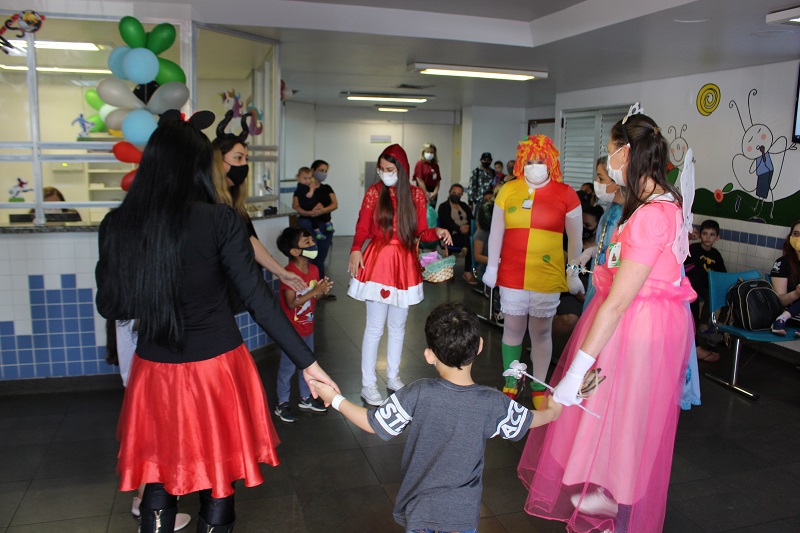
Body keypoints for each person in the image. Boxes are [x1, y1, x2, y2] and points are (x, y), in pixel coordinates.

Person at [96, 112, 339, 533]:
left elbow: (111, 304)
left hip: (154, 370)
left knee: (159, 475)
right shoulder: (219, 220)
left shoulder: (118, 224)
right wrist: (309, 363)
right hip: (217, 370)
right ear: (197, 167)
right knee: (219, 479)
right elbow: (259, 301)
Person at [518, 111, 697, 533]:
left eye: (612, 150)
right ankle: (608, 488)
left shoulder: (652, 214)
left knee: (626, 411)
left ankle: (619, 496)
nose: (609, 159)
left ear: (627, 153)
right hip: (639, 318)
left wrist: (574, 371)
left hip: (639, 325)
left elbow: (617, 304)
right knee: (612, 407)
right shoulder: (654, 203)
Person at [308, 303, 562, 533]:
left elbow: (373, 424)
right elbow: (526, 420)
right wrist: (552, 412)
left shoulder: (418, 393)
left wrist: (335, 399)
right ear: (480, 346)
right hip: (462, 515)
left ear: (429, 355)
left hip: (420, 511)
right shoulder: (491, 402)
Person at [482, 135, 583, 409]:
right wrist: (492, 267)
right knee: (512, 329)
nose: (534, 166)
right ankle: (511, 381)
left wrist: (573, 273)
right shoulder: (508, 190)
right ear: (521, 163)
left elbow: (575, 242)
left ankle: (539, 386)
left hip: (546, 275)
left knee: (541, 332)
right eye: (529, 161)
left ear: (550, 162)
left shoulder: (567, 194)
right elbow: (496, 233)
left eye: (540, 161)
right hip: (512, 273)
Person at [348, 144, 452, 406]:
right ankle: (368, 384)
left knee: (397, 326)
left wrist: (438, 231)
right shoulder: (374, 193)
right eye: (381, 169)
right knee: (374, 327)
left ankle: (393, 377)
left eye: (390, 169)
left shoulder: (416, 195)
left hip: (404, 263)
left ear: (402, 170)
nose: (384, 173)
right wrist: (355, 249)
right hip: (378, 261)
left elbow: (422, 232)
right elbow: (362, 226)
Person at [212, 111, 306, 294]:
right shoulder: (206, 202)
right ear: (218, 161)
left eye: (246, 159)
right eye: (238, 158)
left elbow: (248, 240)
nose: (244, 165)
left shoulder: (233, 202)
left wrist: (281, 272)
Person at [273, 227, 333, 422]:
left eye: (312, 240)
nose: (313, 244)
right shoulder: (289, 273)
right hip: (291, 332)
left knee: (307, 365)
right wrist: (314, 292)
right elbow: (291, 303)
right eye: (307, 242)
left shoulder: (314, 269)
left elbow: (313, 296)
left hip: (308, 327)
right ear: (294, 251)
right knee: (287, 368)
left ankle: (306, 397)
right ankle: (282, 403)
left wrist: (321, 290)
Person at [303, 159, 338, 293]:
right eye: (321, 170)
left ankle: (321, 289)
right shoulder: (304, 188)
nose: (323, 173)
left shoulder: (326, 188)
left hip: (325, 226)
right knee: (309, 258)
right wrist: (310, 212)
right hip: (309, 226)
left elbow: (334, 204)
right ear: (313, 170)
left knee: (320, 259)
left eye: (325, 171)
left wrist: (322, 210)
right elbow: (297, 205)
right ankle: (308, 290)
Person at [684, 219, 727, 330]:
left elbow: (723, 274)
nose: (708, 237)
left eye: (712, 235)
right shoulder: (693, 249)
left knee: (719, 292)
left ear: (717, 237)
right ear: (699, 235)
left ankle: (711, 324)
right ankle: (698, 325)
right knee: (702, 289)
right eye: (705, 234)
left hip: (706, 286)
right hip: (692, 285)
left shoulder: (716, 254)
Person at [437, 183, 477, 285]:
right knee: (471, 241)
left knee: (471, 237)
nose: (456, 195)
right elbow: (447, 222)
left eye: (459, 194)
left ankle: (465, 248)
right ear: (450, 192)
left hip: (467, 233)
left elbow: (472, 219)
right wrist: (460, 229)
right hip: (452, 235)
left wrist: (468, 226)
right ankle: (467, 272)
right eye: (454, 193)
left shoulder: (464, 206)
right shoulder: (443, 206)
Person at [770, 220, 800, 337]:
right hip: (793, 316)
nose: (799, 238)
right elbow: (780, 301)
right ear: (790, 237)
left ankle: (780, 320)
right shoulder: (782, 263)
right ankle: (781, 319)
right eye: (796, 234)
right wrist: (796, 293)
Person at [292, 166, 330, 241]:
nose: (308, 181)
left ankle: (322, 228)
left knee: (319, 215)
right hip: (307, 207)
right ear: (298, 178)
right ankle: (320, 230)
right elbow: (309, 195)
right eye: (305, 178)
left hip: (313, 206)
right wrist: (312, 188)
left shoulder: (309, 186)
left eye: (309, 178)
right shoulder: (301, 187)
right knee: (314, 217)